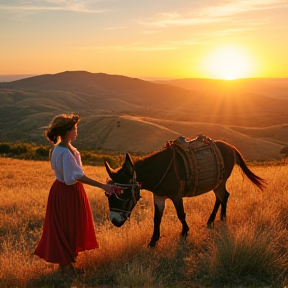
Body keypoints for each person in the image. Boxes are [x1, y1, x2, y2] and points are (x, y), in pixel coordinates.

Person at [34, 113, 120, 275]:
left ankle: (67, 264)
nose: (76, 131)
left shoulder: (60, 149)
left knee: (68, 225)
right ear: (66, 131)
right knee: (68, 226)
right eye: (74, 129)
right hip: (68, 193)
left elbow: (73, 173)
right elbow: (76, 176)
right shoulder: (65, 153)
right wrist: (102, 186)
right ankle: (65, 267)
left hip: (61, 190)